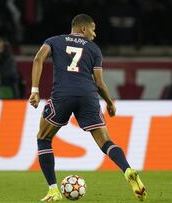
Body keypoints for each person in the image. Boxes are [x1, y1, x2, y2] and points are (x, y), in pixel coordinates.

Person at [28, 14, 147, 201]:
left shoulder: (53, 41)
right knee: (106, 142)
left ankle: (53, 191)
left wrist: (35, 90)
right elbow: (99, 83)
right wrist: (109, 102)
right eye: (93, 29)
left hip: (62, 95)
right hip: (87, 96)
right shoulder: (93, 49)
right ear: (83, 29)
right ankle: (127, 169)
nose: (95, 34)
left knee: (43, 138)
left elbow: (38, 59)